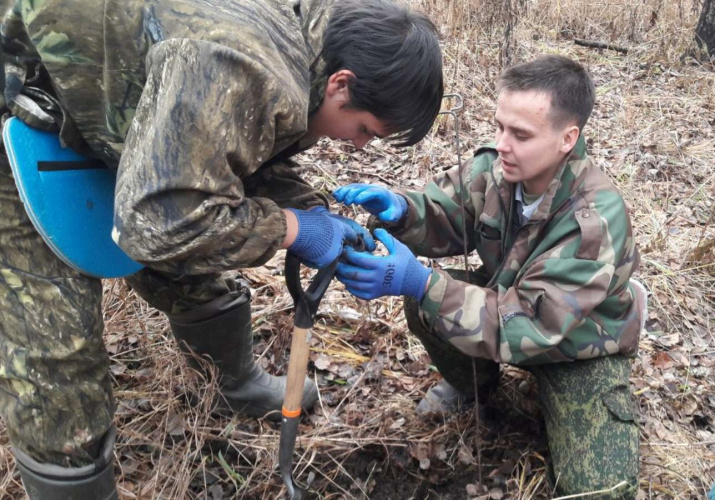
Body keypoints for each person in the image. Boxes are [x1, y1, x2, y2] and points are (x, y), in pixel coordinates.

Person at [0, 0, 443, 497]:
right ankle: (72, 478)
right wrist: (292, 229)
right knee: (57, 347)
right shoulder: (240, 63)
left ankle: (232, 381)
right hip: (25, 113)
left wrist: (313, 213)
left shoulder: (306, 46)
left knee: (201, 238)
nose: (359, 146)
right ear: (342, 85)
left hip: (120, 111)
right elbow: (159, 224)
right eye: (364, 131)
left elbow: (230, 153)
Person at [334, 55, 645, 499]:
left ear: (567, 138)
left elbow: (530, 326)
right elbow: (445, 215)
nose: (502, 144)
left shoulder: (594, 220)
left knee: (602, 491)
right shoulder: (497, 170)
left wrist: (423, 282)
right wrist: (401, 210)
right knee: (425, 301)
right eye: (499, 127)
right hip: (508, 304)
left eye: (521, 134)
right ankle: (474, 386)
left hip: (578, 346)